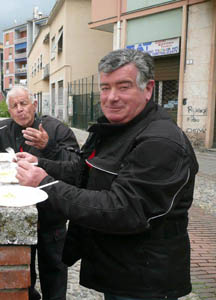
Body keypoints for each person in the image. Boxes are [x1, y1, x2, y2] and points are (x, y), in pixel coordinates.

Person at [15, 49, 199, 300]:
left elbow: (123, 209)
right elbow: (84, 170)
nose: (111, 97)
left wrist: (45, 184)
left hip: (144, 280)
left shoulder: (161, 141)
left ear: (148, 89)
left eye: (123, 87)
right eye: (104, 88)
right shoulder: (114, 127)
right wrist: (41, 163)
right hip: (119, 269)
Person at [0, 85, 79, 300]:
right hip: (17, 211)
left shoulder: (56, 129)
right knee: (24, 267)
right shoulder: (1, 130)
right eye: (14, 106)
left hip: (51, 213)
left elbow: (77, 168)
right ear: (9, 111)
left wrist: (48, 145)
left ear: (34, 104)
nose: (20, 109)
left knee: (54, 268)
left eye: (24, 103)